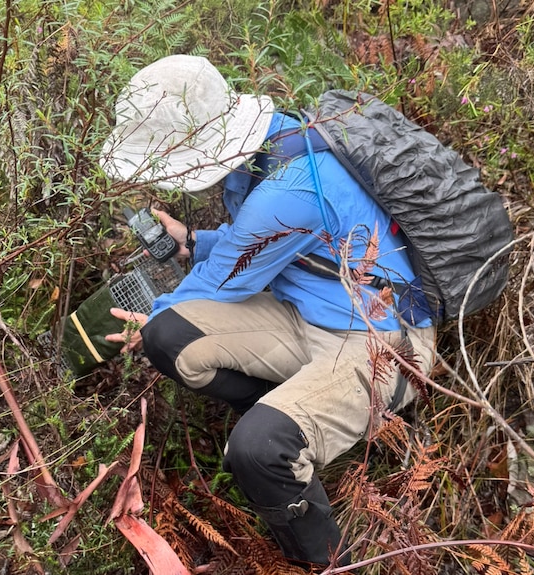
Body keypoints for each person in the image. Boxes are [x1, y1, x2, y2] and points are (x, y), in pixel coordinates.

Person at [101, 54, 437, 567]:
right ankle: (286, 416)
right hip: (300, 314)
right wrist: (193, 241)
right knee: (169, 336)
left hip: (383, 342)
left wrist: (154, 312)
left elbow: (225, 278)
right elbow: (268, 243)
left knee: (258, 449)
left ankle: (325, 561)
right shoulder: (271, 150)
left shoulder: (292, 183)